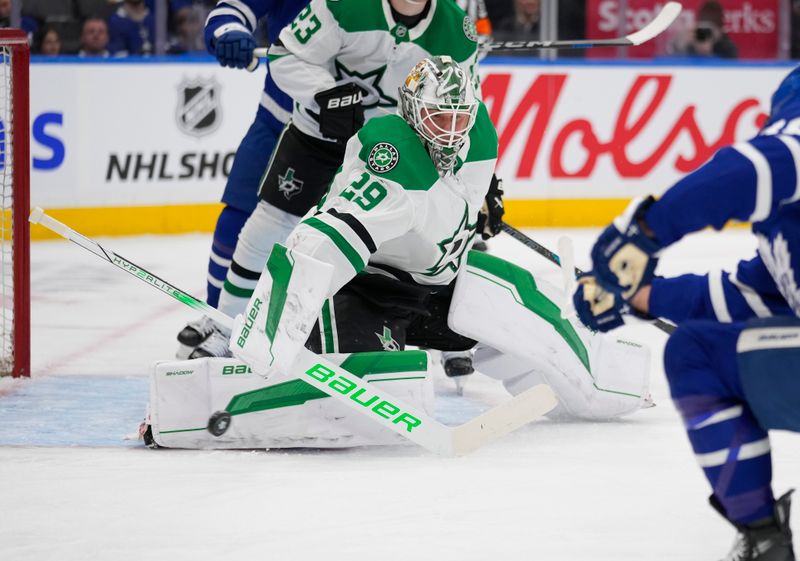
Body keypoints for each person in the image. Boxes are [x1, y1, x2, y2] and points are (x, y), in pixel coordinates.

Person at [144, 57, 653, 450]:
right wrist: (267, 333)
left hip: (440, 286)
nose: (451, 131)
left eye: (459, 116)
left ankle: (612, 380)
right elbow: (321, 243)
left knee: (530, 299)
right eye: (438, 117)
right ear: (412, 111)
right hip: (367, 289)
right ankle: (213, 395)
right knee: (387, 392)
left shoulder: (480, 134)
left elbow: (452, 197)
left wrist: (480, 207)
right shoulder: (390, 155)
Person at [572, 66, 800, 560]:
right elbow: (748, 297)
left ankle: (765, 538)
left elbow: (763, 164)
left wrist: (647, 232)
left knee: (694, 353)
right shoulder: (789, 226)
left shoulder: (787, 153)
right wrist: (637, 295)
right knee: (702, 347)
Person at [179, 0, 483, 360]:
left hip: (391, 152)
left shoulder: (457, 29)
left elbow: (464, 105)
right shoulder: (345, 5)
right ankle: (227, 326)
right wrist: (325, 95)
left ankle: (436, 336)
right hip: (316, 136)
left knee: (410, 241)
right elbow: (285, 54)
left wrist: (478, 177)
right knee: (268, 227)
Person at [175, 0, 309, 359]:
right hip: (277, 120)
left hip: (344, 132)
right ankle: (220, 316)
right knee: (235, 220)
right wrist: (228, 33)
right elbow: (230, 11)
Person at [671, 1, 737, 59]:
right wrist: (682, 43)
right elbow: (675, 61)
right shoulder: (691, 41)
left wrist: (710, 51)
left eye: (711, 27)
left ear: (720, 28)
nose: (705, 32)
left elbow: (730, 66)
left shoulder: (727, 47)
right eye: (704, 24)